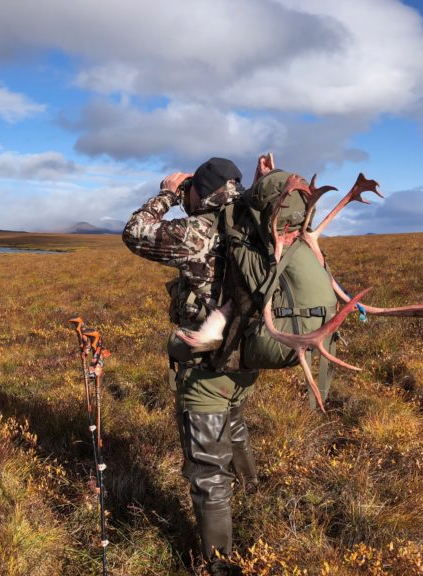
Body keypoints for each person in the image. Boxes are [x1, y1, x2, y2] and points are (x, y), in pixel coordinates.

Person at [122, 157, 258, 573]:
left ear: (201, 189)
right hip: (246, 356)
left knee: (207, 469)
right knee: (233, 421)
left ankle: (219, 563)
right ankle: (252, 491)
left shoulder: (198, 230)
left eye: (191, 191)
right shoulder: (251, 221)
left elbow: (135, 233)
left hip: (205, 363)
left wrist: (166, 192)